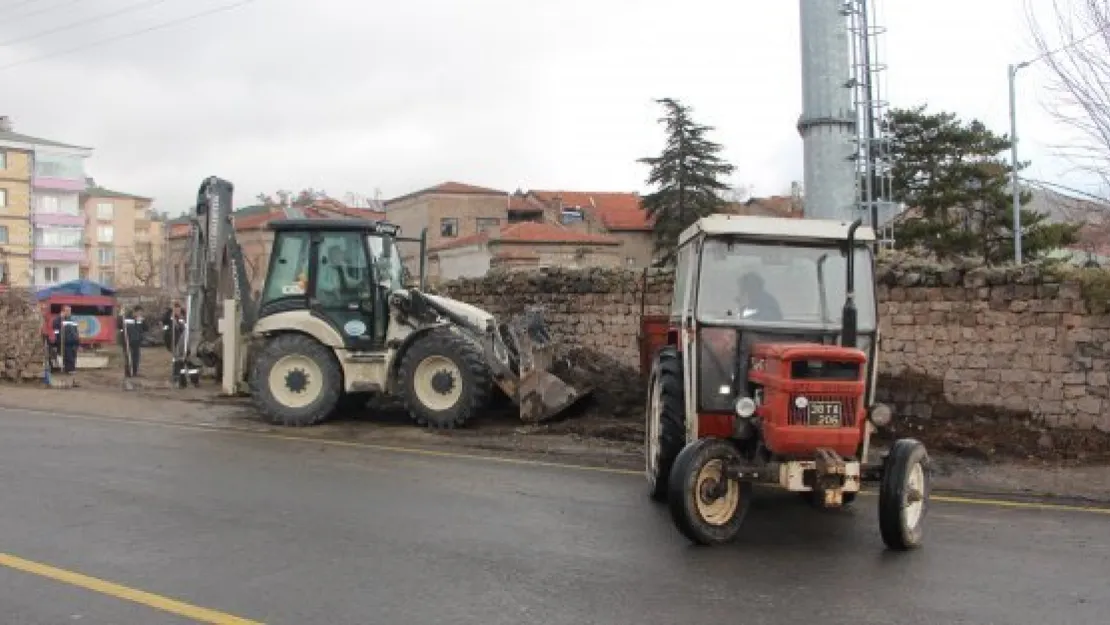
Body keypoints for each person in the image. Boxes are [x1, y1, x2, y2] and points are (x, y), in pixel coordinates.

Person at [118, 306, 148, 378]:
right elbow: (119, 325)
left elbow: (146, 328)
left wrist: (143, 321)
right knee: (129, 358)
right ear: (134, 312)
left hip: (137, 341)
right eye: (138, 312)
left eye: (141, 313)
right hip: (128, 341)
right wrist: (120, 316)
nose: (140, 314)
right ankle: (128, 373)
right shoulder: (127, 318)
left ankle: (134, 372)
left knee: (136, 358)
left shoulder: (140, 320)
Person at [51, 305, 80, 375]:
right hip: (65, 341)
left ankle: (72, 368)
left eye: (69, 310)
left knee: (73, 355)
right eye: (67, 311)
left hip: (73, 341)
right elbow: (55, 328)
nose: (69, 312)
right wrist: (57, 339)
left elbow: (76, 330)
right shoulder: (59, 320)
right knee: (68, 355)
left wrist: (77, 339)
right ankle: (70, 369)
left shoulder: (73, 320)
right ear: (63, 311)